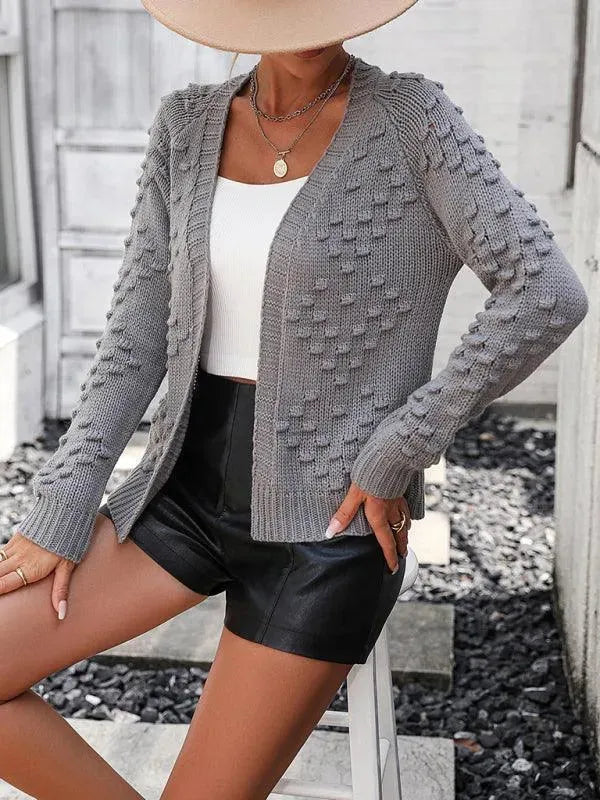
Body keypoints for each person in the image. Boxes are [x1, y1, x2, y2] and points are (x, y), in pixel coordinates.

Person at [0, 0, 589, 796]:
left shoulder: (413, 119)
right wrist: (64, 502)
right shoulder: (187, 124)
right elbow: (137, 338)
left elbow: (545, 292)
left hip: (329, 529)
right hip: (180, 497)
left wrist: (400, 446)